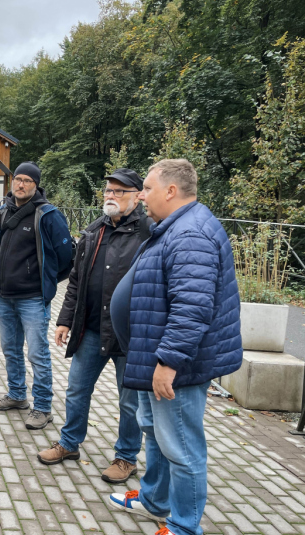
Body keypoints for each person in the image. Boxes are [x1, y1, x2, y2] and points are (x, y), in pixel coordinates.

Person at [107, 159, 242, 535]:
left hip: (175, 364)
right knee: (157, 433)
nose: (141, 195)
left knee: (182, 448)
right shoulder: (175, 227)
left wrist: (168, 361)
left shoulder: (191, 234)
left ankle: (183, 527)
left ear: (170, 190)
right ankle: (154, 500)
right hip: (156, 355)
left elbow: (192, 306)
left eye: (147, 188)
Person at [37, 169, 149, 484]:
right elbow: (76, 282)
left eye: (119, 191)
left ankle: (126, 458)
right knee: (76, 390)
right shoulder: (94, 230)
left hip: (130, 335)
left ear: (138, 195)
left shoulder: (148, 232)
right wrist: (65, 320)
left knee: (130, 400)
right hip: (91, 328)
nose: (110, 196)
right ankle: (69, 445)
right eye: (108, 191)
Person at [0, 161, 74, 430]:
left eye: (27, 181)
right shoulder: (4, 211)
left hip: (33, 298)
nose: (21, 184)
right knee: (10, 350)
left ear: (36, 185)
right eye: (18, 179)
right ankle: (17, 395)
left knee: (37, 353)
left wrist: (43, 280)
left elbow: (66, 257)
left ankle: (43, 407)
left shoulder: (48, 215)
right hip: (5, 296)